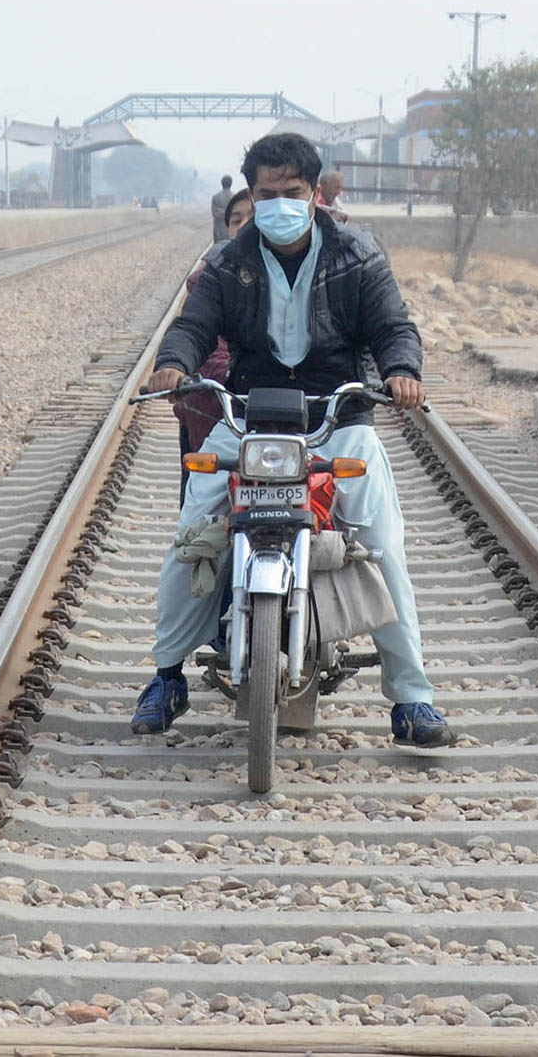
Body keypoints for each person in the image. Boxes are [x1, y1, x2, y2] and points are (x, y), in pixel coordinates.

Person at [131, 131, 455, 750]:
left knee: (383, 541)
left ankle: (413, 699)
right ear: (252, 195)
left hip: (338, 417)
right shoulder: (229, 261)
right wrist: (173, 362)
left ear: (314, 192)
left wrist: (402, 370)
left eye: (291, 192)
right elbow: (192, 325)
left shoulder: (357, 253)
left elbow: (392, 324)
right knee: (193, 536)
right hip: (249, 417)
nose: (277, 203)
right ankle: (167, 677)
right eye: (265, 193)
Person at [176, 188, 255, 503]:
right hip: (219, 415)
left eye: (254, 216)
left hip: (290, 420)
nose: (245, 225)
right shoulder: (210, 279)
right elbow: (196, 334)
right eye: (236, 220)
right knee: (197, 523)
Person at [211, 175, 234, 241]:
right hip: (231, 230)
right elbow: (235, 214)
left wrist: (221, 211)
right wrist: (229, 213)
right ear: (231, 184)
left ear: (221, 183)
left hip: (218, 231)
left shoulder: (215, 197)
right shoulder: (235, 197)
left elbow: (215, 214)